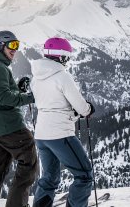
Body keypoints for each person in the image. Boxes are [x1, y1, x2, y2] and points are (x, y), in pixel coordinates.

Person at [30, 37, 95, 207]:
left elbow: (49, 102)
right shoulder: (62, 76)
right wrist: (88, 109)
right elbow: (81, 107)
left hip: (42, 134)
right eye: (67, 57)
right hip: (60, 134)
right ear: (62, 56)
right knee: (84, 174)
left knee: (49, 177)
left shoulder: (36, 77)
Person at [0, 30, 38, 207]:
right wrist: (32, 97)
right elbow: (4, 98)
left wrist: (18, 90)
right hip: (12, 128)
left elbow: (1, 95)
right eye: (11, 45)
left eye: (17, 45)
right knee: (29, 165)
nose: (15, 49)